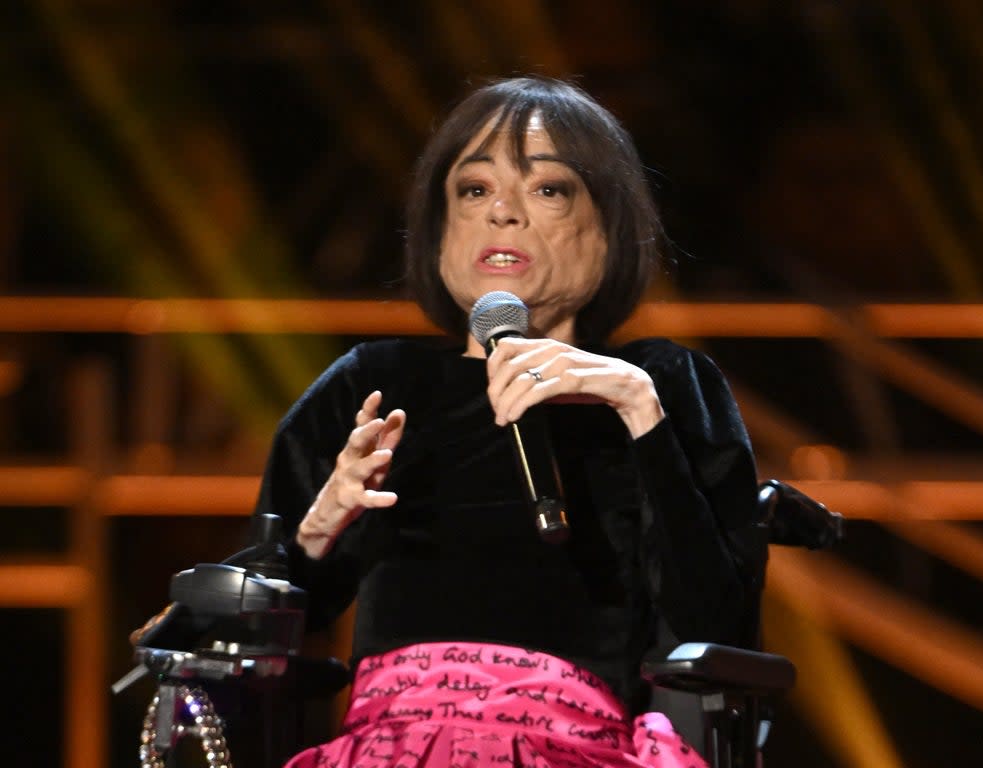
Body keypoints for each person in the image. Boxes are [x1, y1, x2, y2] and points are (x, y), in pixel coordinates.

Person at [256, 76, 759, 768]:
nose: (503, 214)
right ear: (441, 229)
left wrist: (642, 421)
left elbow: (718, 630)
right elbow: (237, 628)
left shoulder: (665, 384)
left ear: (609, 227)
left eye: (547, 189)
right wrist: (317, 531)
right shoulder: (373, 385)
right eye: (474, 189)